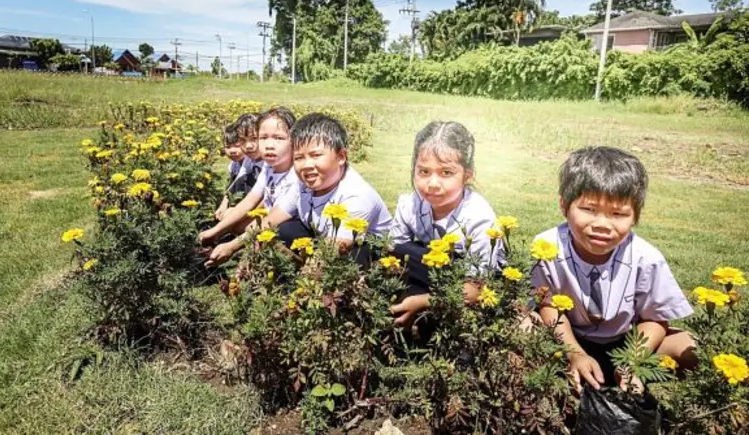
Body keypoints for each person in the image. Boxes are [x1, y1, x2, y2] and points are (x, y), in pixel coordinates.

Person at [530, 146, 696, 393]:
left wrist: (631, 361)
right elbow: (547, 305)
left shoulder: (646, 258)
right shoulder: (546, 247)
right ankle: (540, 392)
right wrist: (574, 353)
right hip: (565, 340)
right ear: (564, 205)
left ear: (635, 216)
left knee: (690, 346)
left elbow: (655, 319)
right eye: (589, 209)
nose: (602, 224)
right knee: (523, 326)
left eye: (618, 214)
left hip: (626, 343)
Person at [209, 113, 392, 266]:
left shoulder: (356, 196)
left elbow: (336, 249)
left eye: (316, 155)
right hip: (323, 239)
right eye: (299, 158)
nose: (307, 165)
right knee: (281, 230)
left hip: (362, 251)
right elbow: (270, 220)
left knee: (352, 258)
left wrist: (304, 283)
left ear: (341, 156)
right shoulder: (301, 182)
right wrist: (231, 246)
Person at [388, 121, 503, 328]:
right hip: (426, 278)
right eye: (424, 172)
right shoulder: (409, 205)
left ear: (467, 176)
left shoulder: (480, 219)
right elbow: (393, 256)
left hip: (465, 296)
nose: (432, 184)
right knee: (394, 251)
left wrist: (424, 302)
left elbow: (476, 290)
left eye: (446, 173)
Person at [199, 108, 298, 264]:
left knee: (264, 235)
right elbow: (250, 200)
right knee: (233, 219)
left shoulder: (297, 176)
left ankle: (288, 266)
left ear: (295, 140)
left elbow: (271, 220)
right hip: (270, 219)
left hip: (289, 227)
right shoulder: (270, 165)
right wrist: (215, 231)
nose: (269, 145)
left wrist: (231, 246)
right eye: (263, 138)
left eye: (278, 138)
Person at [214, 123, 246, 221]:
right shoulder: (234, 165)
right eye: (228, 147)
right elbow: (231, 186)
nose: (232, 151)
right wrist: (223, 205)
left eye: (237, 146)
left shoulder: (251, 165)